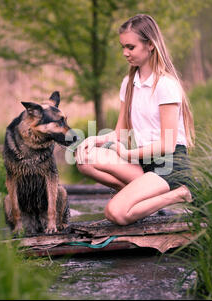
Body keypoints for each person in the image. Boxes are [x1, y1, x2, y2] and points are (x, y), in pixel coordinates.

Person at [75, 14, 197, 226]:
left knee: (115, 213)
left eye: (130, 47)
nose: (125, 53)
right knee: (84, 158)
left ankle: (181, 193)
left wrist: (128, 153)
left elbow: (167, 144)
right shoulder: (129, 83)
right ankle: (138, 196)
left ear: (150, 45)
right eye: (123, 47)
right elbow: (120, 133)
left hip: (168, 165)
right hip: (142, 163)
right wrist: (93, 140)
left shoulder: (165, 85)